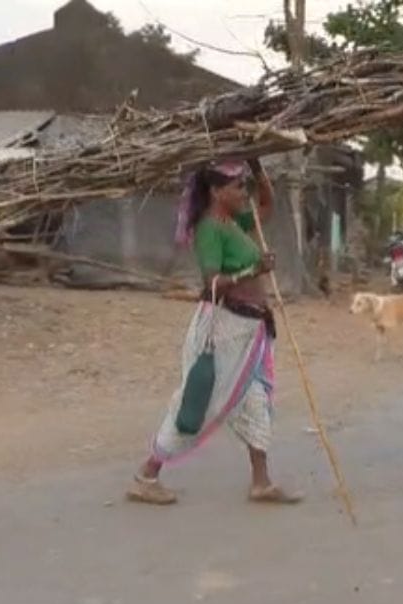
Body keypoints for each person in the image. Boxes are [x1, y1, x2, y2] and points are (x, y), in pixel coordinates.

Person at [127, 158, 302, 506]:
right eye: (237, 186)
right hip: (223, 329)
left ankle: (261, 482)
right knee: (200, 400)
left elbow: (266, 205)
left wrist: (257, 165)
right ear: (216, 191)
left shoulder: (234, 222)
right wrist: (253, 269)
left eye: (244, 185)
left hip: (250, 330)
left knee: (256, 400)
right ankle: (147, 475)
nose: (244, 192)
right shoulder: (210, 229)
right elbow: (212, 285)